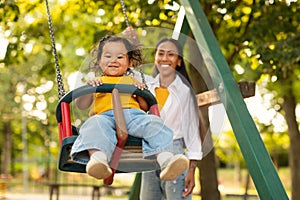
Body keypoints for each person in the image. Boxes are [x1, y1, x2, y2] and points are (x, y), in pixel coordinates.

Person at [70, 35, 189, 181]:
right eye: (108, 56)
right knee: (93, 125)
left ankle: (166, 160)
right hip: (104, 117)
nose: (113, 60)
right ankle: (98, 160)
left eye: (120, 57)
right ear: (99, 61)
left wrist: (140, 91)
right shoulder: (97, 82)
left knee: (153, 122)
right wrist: (89, 88)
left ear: (129, 63)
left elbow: (145, 107)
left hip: (133, 116)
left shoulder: (133, 81)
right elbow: (81, 105)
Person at [139, 38, 203, 200]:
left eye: (171, 54)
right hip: (149, 152)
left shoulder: (184, 92)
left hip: (174, 151)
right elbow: (126, 67)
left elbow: (192, 132)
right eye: (161, 53)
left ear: (179, 61)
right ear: (155, 58)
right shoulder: (147, 86)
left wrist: (191, 169)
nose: (165, 58)